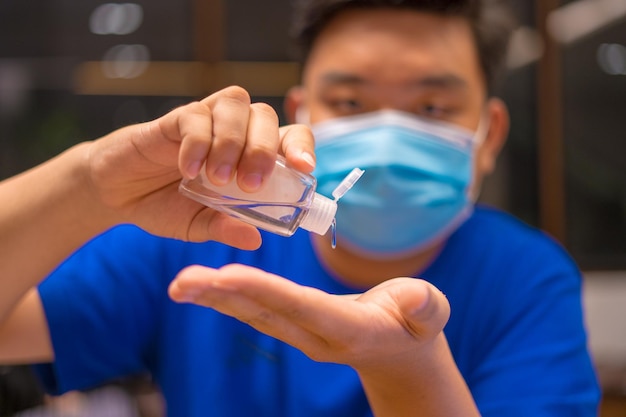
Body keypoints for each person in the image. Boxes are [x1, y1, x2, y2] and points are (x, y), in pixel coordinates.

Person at [0, 0, 600, 416]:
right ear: (301, 111)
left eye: (433, 109)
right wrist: (89, 184)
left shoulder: (527, 279)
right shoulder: (199, 232)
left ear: (490, 134)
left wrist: (407, 369)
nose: (388, 134)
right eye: (349, 100)